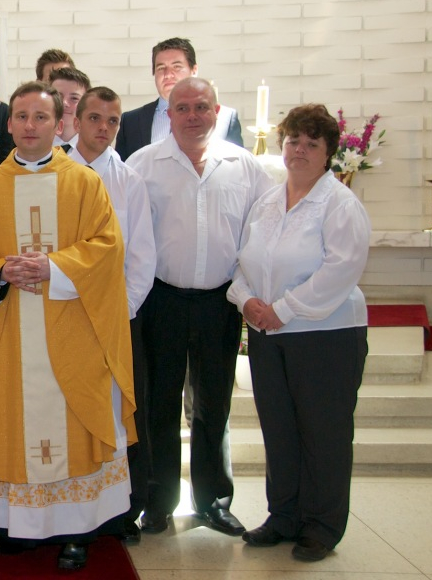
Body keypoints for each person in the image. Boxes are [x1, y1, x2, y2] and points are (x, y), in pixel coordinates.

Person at [0, 81, 136, 571]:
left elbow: (107, 247)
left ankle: (76, 528)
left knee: (72, 423)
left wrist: (53, 267)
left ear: (60, 124)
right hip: (9, 333)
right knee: (12, 419)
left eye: (41, 117)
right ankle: (16, 526)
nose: (30, 126)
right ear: (9, 124)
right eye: (22, 116)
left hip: (72, 329)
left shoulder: (84, 184)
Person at [127, 77, 272, 538]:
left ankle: (213, 501)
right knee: (159, 403)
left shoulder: (244, 166)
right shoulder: (143, 164)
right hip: (162, 299)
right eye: (183, 108)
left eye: (202, 107)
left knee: (214, 403)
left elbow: (262, 234)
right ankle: (158, 501)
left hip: (219, 301)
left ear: (217, 111)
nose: (193, 116)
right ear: (168, 115)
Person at [228, 104, 371, 562]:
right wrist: (246, 300)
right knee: (280, 428)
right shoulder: (267, 202)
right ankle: (284, 516)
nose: (300, 150)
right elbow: (242, 261)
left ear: (328, 152)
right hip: (269, 333)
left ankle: (321, 526)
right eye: (293, 141)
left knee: (323, 432)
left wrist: (283, 310)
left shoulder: (339, 203)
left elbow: (341, 269)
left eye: (312, 144)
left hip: (325, 334)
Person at [68, 86, 156, 543]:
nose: (104, 128)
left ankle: (121, 510)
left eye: (113, 121)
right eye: (95, 118)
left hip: (115, 320)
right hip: (60, 316)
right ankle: (68, 506)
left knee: (120, 413)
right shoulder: (52, 172)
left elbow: (141, 256)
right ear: (76, 120)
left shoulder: (129, 182)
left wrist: (119, 314)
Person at [117, 37, 243, 161]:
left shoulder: (226, 118)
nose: (168, 75)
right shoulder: (131, 122)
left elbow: (237, 166)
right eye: (161, 68)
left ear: (194, 70)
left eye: (176, 67)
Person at [49, 66, 90, 147]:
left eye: (74, 98)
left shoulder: (96, 150)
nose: (64, 103)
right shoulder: (31, 149)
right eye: (58, 96)